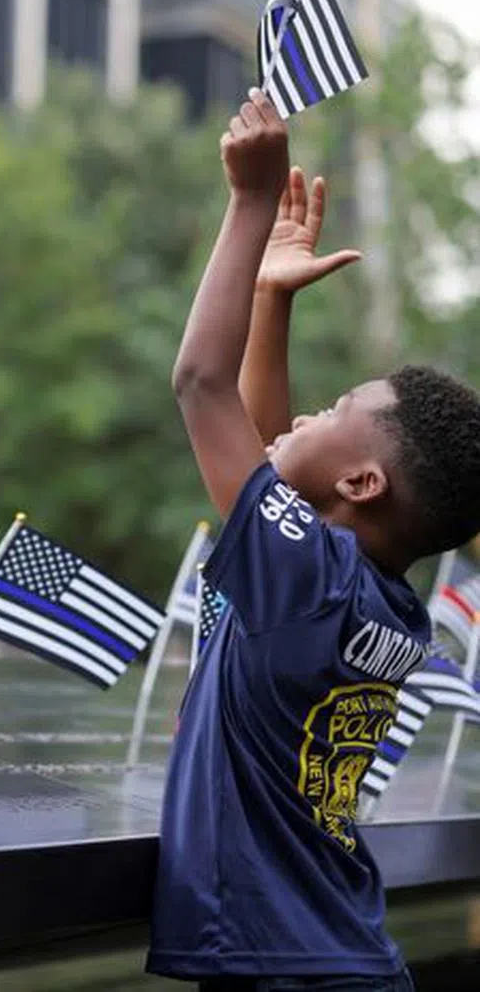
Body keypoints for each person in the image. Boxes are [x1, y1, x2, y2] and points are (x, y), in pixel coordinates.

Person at [146, 88, 480, 991]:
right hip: (334, 958)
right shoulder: (380, 604)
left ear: (364, 484)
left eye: (337, 411)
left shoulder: (309, 579)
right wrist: (269, 301)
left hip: (288, 971)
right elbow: (265, 479)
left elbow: (199, 385)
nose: (309, 410)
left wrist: (250, 206)